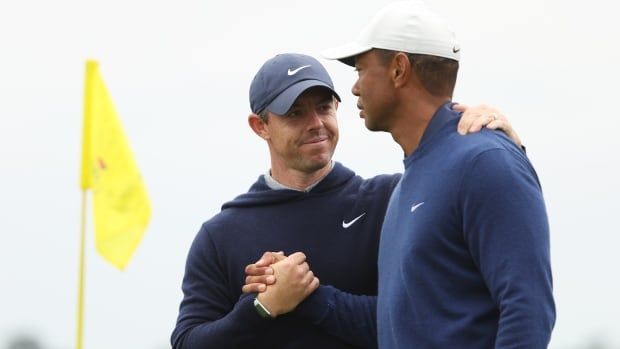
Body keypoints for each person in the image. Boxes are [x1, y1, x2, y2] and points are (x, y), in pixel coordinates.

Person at [171, 52, 522, 349]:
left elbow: (426, 316)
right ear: (259, 126)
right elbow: (188, 341)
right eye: (295, 113)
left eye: (324, 108)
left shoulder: (393, 200)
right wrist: (262, 306)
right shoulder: (222, 235)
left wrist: (508, 145)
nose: (316, 124)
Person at [317, 1, 555, 348]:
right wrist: (308, 298)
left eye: (360, 69)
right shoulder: (413, 179)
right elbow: (402, 321)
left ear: (399, 69)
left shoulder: (485, 161)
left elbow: (529, 309)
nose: (354, 88)